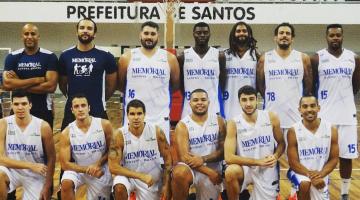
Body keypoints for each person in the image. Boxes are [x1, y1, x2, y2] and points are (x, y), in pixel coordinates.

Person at [310, 24, 360, 200]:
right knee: (324, 156)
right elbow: (313, 85)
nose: (335, 38)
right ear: (326, 37)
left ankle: (345, 192)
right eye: (332, 35)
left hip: (347, 115)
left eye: (338, 35)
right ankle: (324, 192)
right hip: (326, 117)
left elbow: (355, 86)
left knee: (347, 156)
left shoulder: (353, 57)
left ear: (342, 36)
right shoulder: (317, 57)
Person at [118, 21, 180, 142]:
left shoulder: (169, 58)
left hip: (160, 117)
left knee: (161, 157)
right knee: (132, 156)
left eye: (153, 34)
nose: (149, 37)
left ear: (158, 36)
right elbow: (121, 85)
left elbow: (175, 85)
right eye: (146, 33)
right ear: (140, 35)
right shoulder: (127, 57)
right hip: (133, 117)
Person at [224, 85, 285, 200]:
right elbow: (228, 157)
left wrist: (276, 156)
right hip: (245, 168)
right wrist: (258, 162)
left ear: (257, 99)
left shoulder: (271, 117)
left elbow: (281, 143)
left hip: (266, 168)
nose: (248, 104)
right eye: (244, 100)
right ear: (239, 102)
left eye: (251, 99)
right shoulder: (233, 123)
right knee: (230, 171)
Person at [58, 18, 117, 130]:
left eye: (89, 28)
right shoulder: (65, 55)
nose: (85, 31)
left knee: (101, 145)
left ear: (94, 34)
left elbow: (112, 86)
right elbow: (62, 85)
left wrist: (99, 100)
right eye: (82, 28)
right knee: (68, 144)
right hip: (72, 110)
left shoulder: (106, 56)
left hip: (97, 109)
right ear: (77, 32)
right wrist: (73, 99)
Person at [108, 99, 172, 200]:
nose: (136, 117)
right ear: (127, 115)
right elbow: (113, 167)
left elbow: (168, 160)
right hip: (129, 178)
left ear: (144, 115)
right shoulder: (119, 135)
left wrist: (166, 185)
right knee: (119, 186)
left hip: (151, 180)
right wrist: (140, 176)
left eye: (139, 113)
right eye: (132, 114)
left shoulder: (156, 132)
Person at [257, 22, 313, 134]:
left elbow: (308, 88)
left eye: (288, 33)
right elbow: (260, 86)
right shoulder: (265, 58)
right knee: (273, 151)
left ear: (292, 38)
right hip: (271, 115)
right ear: (275, 38)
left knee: (293, 151)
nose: (284, 35)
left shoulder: (303, 58)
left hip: (295, 117)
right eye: (281, 33)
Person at [171, 88, 226, 200]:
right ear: (190, 103)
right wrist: (209, 172)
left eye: (203, 99)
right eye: (195, 100)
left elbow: (223, 151)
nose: (199, 103)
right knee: (179, 172)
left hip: (214, 168)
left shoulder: (219, 121)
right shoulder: (183, 125)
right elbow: (184, 157)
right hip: (192, 169)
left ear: (209, 102)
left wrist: (203, 159)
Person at [0, 90, 55, 200]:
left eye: (24, 104)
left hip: (35, 175)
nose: (20, 107)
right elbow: (1, 159)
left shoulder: (43, 126)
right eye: (16, 104)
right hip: (12, 171)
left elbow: (52, 158)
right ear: (11, 105)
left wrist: (48, 185)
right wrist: (30, 165)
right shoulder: (3, 123)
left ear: (30, 105)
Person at [3, 23, 58, 127]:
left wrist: (18, 83)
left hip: (43, 111)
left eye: (33, 34)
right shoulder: (12, 57)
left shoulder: (49, 57)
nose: (29, 37)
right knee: (16, 143)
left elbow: (51, 86)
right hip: (18, 111)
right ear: (21, 36)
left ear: (38, 36)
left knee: (43, 143)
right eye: (26, 34)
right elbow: (7, 84)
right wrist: (37, 80)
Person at [59, 93, 113, 199]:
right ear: (72, 110)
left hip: (100, 169)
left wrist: (98, 164)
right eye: (76, 106)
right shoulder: (67, 132)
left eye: (83, 105)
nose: (80, 109)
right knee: (66, 183)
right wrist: (87, 169)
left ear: (89, 108)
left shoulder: (104, 125)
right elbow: (64, 164)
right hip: (78, 169)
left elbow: (113, 150)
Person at [287, 95, 339, 200]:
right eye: (305, 106)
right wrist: (311, 176)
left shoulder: (331, 129)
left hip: (321, 174)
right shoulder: (293, 131)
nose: (309, 109)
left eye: (312, 106)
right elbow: (293, 162)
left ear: (318, 108)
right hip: (300, 172)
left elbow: (334, 159)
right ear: (300, 110)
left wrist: (320, 175)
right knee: (305, 184)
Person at [178, 22, 226, 118]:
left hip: (212, 108)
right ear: (193, 34)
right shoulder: (183, 56)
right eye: (199, 33)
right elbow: (181, 84)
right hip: (189, 108)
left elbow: (222, 83)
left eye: (205, 32)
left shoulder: (219, 55)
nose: (202, 35)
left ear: (210, 34)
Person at [224, 22, 259, 120]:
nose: (241, 33)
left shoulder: (256, 56)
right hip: (228, 106)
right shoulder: (225, 55)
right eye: (238, 31)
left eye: (244, 31)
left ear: (249, 34)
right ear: (233, 34)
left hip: (249, 106)